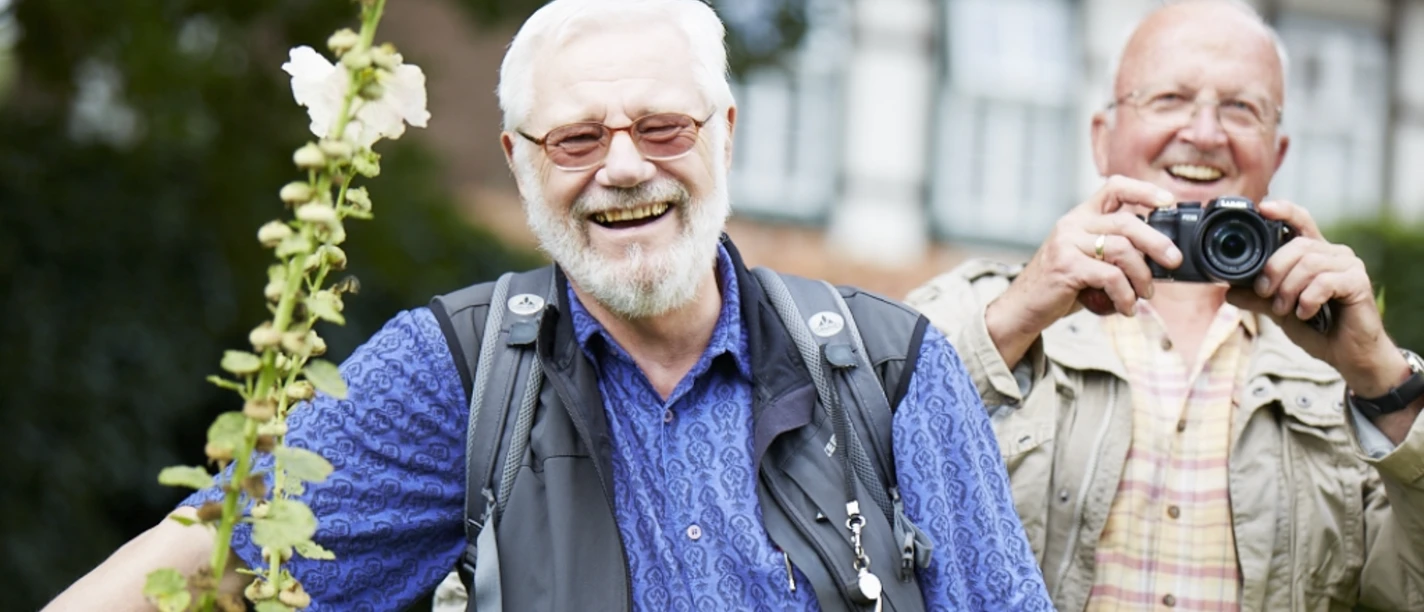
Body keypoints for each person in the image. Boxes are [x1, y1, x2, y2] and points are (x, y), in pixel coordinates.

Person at [45, 1, 1052, 610]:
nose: (621, 167)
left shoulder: (892, 375)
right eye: (574, 140)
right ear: (519, 164)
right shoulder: (454, 374)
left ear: (725, 135)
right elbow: (209, 562)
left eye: (660, 127)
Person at [905, 1, 1424, 610]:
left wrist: (1382, 381)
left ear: (1276, 155)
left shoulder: (1334, 359)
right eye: (1170, 99)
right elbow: (859, 484)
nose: (1204, 133)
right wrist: (1016, 316)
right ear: (1103, 138)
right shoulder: (975, 311)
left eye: (1240, 108)